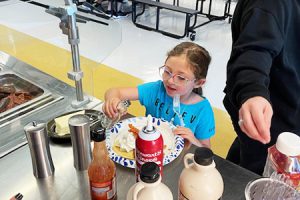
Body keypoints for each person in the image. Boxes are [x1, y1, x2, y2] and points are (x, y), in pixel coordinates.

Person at [223, 0, 300, 175]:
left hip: (287, 109)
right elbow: (254, 50)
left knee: (242, 155)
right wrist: (252, 92)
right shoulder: (270, 4)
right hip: (270, 117)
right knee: (259, 173)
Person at [103, 42, 215, 148]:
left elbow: (206, 151)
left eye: (181, 78)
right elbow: (115, 91)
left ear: (198, 82)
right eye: (167, 71)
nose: (170, 81)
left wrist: (193, 140)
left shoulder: (203, 110)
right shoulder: (156, 90)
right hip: (148, 151)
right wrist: (112, 100)